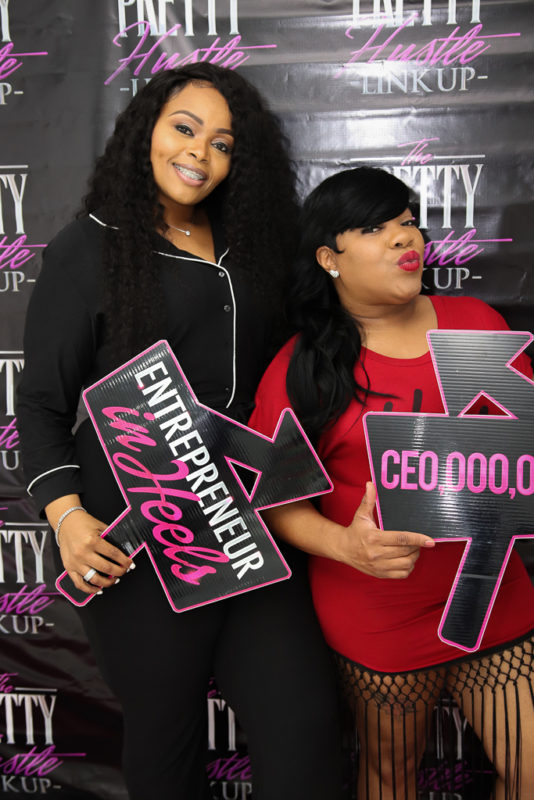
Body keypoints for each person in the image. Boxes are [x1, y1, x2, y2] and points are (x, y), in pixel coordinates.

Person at [16, 64, 343, 800]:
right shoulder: (89, 249)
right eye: (185, 129)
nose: (200, 152)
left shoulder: (254, 244)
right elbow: (38, 405)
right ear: (147, 133)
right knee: (166, 745)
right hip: (139, 533)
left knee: (304, 726)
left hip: (248, 523)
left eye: (222, 143)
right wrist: (67, 519)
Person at [249, 166, 534, 800]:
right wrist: (347, 545)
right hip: (377, 608)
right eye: (375, 228)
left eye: (407, 221)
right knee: (390, 776)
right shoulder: (304, 368)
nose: (405, 237)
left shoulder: (476, 324)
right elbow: (278, 503)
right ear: (330, 258)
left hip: (489, 591)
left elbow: (524, 446)